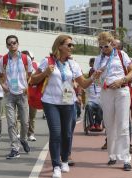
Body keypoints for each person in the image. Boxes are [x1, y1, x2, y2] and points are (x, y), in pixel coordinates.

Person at [31, 34, 100, 178]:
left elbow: (83, 83)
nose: (72, 48)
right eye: (69, 45)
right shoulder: (47, 61)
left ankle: (64, 160)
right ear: (60, 46)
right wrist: (45, 72)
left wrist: (93, 77)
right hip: (50, 102)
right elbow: (33, 80)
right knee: (56, 133)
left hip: (68, 103)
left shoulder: (73, 64)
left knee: (67, 134)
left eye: (72, 45)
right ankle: (56, 165)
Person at [93, 32, 132, 171]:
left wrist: (122, 80)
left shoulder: (121, 55)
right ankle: (112, 155)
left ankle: (126, 159)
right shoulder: (98, 59)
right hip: (106, 93)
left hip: (122, 91)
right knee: (110, 125)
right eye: (100, 47)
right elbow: (96, 80)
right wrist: (98, 77)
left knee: (123, 125)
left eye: (105, 46)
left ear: (112, 43)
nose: (103, 49)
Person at [0, 35, 32, 159]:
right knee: (11, 123)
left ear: (18, 44)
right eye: (9, 43)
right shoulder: (3, 60)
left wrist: (26, 86)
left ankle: (23, 139)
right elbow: (0, 75)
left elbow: (30, 75)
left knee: (25, 122)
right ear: (7, 45)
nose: (12, 45)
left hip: (22, 94)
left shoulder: (25, 58)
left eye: (14, 43)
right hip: (9, 95)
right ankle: (14, 148)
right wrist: (3, 86)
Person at [21, 50, 38, 141]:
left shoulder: (36, 66)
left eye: (29, 58)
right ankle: (20, 133)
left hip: (32, 95)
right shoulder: (18, 66)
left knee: (31, 116)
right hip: (21, 94)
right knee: (20, 115)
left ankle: (30, 133)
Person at [84, 58, 103, 131]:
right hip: (91, 101)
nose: (94, 76)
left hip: (99, 102)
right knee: (89, 106)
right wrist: (84, 102)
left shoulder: (101, 83)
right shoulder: (88, 82)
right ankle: (91, 124)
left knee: (101, 107)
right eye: (92, 74)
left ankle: (97, 124)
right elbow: (84, 92)